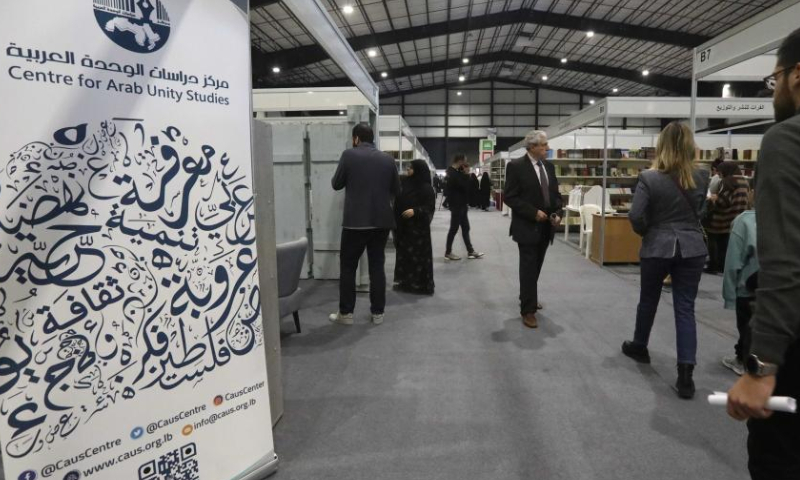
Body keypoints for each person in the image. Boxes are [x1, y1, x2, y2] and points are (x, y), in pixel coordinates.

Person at [727, 28, 800, 480]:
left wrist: (761, 363)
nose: (773, 92)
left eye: (774, 80)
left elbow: (787, 262)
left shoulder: (787, 139)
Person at [621, 121, 709, 399]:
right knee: (685, 308)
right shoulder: (703, 175)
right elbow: (702, 211)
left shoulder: (649, 177)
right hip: (692, 248)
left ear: (661, 145)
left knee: (648, 300)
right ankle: (686, 374)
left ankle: (639, 345)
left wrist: (649, 232)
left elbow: (636, 215)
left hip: (657, 246)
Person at [330, 123, 399, 326]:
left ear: (356, 138)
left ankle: (346, 314)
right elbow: (397, 188)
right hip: (381, 222)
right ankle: (378, 313)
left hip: (355, 223)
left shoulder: (349, 155)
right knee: (377, 266)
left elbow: (336, 184)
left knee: (348, 267)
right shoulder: (388, 159)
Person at [503, 131, 562, 329]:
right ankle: (528, 310)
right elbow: (510, 197)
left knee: (536, 266)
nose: (547, 148)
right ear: (532, 147)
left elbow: (555, 195)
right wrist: (532, 212)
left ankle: (528, 295)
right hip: (527, 226)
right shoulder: (516, 166)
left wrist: (558, 213)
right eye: (544, 145)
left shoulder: (549, 166)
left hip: (546, 227)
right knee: (528, 267)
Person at [721, 189, 758, 376]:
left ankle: (744, 361)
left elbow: (733, 262)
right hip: (777, 288)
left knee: (747, 327)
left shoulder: (744, 221)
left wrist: (729, 296)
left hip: (747, 289)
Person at [393, 159, 436, 295]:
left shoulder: (426, 187)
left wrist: (416, 211)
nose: (408, 170)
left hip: (418, 231)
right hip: (403, 228)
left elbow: (429, 207)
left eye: (410, 168)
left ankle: (419, 284)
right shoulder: (405, 183)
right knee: (405, 255)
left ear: (418, 170)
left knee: (418, 257)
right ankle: (406, 281)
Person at [706, 162, 750, 273]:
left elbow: (723, 202)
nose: (719, 174)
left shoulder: (728, 181)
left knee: (712, 239)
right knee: (724, 242)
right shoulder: (744, 180)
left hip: (722, 217)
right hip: (736, 216)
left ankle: (713, 265)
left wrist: (713, 198)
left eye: (720, 172)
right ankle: (722, 265)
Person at [444, 154, 484, 261]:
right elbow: (463, 186)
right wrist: (466, 175)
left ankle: (470, 251)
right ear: (460, 161)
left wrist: (465, 175)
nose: (466, 164)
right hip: (456, 205)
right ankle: (448, 252)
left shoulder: (456, 172)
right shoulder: (452, 173)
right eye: (465, 162)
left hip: (461, 204)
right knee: (454, 228)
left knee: (466, 228)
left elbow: (466, 188)